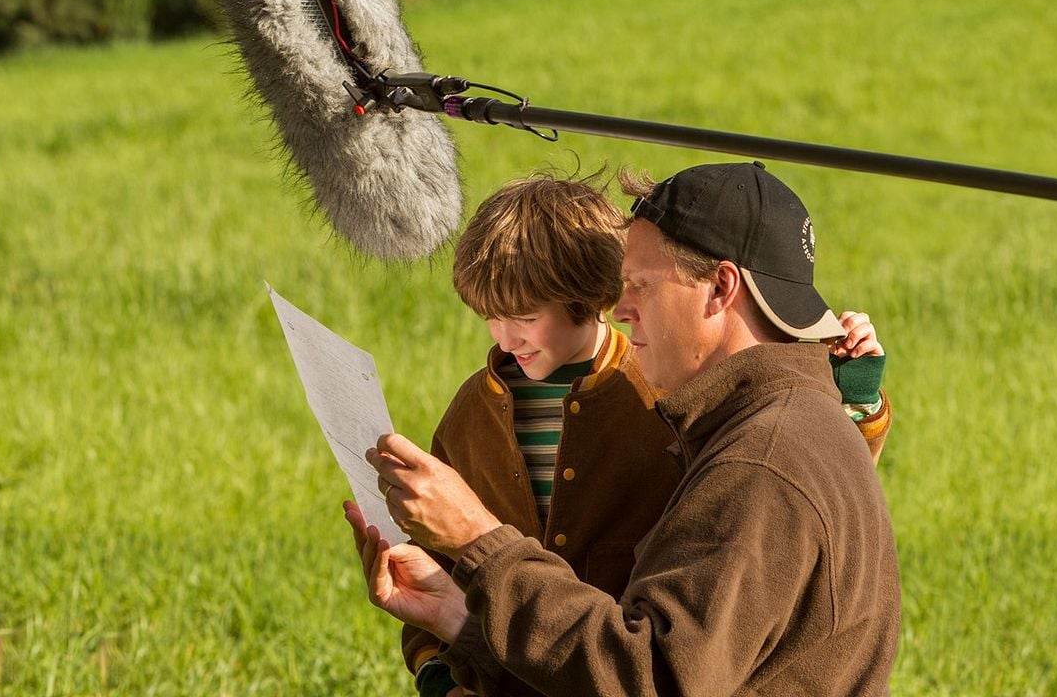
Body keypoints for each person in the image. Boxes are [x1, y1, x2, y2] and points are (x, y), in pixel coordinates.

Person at [362, 165, 899, 697]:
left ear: (720, 288)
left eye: (639, 285)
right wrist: (454, 634)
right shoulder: (790, 423)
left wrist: (480, 540)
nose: (620, 309)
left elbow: (645, 676)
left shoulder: (759, 462)